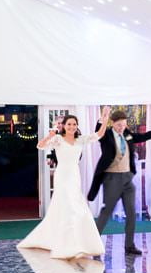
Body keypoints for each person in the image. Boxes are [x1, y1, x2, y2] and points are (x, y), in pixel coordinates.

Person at [18, 107, 111, 259]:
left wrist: (105, 118)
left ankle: (78, 241)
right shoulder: (58, 139)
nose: (72, 127)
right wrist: (49, 136)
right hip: (62, 175)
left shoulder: (80, 139)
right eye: (69, 124)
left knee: (75, 205)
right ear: (64, 126)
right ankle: (67, 244)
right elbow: (40, 146)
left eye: (74, 124)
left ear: (77, 126)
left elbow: (99, 134)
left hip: (75, 175)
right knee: (68, 205)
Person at [87, 110, 151, 254]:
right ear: (112, 123)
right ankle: (93, 244)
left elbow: (142, 137)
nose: (122, 128)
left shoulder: (127, 134)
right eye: (119, 125)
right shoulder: (105, 135)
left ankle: (129, 245)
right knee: (107, 211)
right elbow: (97, 131)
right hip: (112, 178)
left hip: (127, 178)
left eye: (124, 125)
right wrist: (103, 117)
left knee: (131, 213)